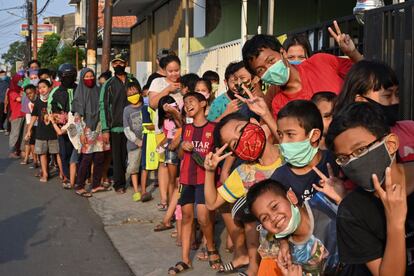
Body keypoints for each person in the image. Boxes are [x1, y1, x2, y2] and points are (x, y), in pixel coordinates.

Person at [325, 102, 412, 275]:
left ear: (391, 144)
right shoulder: (352, 211)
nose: (354, 163)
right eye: (344, 158)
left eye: (360, 150)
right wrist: (395, 224)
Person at [203, 94, 282, 275]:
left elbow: (290, 145)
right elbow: (212, 203)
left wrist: (267, 116)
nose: (241, 139)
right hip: (273, 256)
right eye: (234, 143)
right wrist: (209, 171)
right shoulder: (244, 174)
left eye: (240, 129)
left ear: (254, 123)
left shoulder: (288, 153)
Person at [242, 21, 362, 118]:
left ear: (282, 53)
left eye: (271, 61)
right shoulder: (279, 103)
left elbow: (368, 74)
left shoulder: (321, 62)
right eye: (261, 70)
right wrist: (266, 115)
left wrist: (352, 53)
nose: (270, 69)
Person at [168, 92, 221, 274]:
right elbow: (182, 157)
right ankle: (184, 259)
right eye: (185, 102)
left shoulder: (214, 128)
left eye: (191, 101)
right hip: (186, 179)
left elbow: (217, 155)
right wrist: (182, 147)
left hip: (204, 180)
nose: (187, 105)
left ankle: (211, 248)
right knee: (186, 216)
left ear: (203, 103)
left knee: (205, 217)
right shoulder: (187, 129)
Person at [246, 179, 338, 275]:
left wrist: (341, 199)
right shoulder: (284, 256)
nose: (273, 218)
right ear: (263, 227)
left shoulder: (324, 202)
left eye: (274, 206)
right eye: (264, 218)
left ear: (291, 197)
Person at [334, 59, 414, 164]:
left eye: (397, 94)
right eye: (387, 96)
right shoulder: (346, 141)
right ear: (360, 100)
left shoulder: (410, 129)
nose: (395, 101)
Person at [270, 100, 345, 204]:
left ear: (314, 135)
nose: (283, 142)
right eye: (280, 135)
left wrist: (342, 198)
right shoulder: (278, 180)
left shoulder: (337, 160)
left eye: (290, 134)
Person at [100, 54, 140, 193]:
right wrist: (105, 129)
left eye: (120, 63)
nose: (118, 65)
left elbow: (140, 100)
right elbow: (103, 106)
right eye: (115, 63)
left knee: (134, 154)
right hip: (116, 127)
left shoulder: (133, 80)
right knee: (118, 157)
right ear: (112, 65)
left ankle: (137, 181)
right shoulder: (108, 84)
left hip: (134, 125)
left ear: (126, 63)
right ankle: (119, 184)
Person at [148, 55, 183, 209]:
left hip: (181, 129)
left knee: (178, 163)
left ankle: (176, 198)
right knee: (163, 163)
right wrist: (168, 89)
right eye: (170, 71)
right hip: (163, 129)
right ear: (164, 70)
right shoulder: (158, 82)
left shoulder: (184, 82)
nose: (174, 73)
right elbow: (152, 103)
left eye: (177, 70)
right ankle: (164, 199)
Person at [71, 68, 111, 197]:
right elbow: (77, 116)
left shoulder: (99, 91)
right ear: (82, 79)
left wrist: (104, 128)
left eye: (91, 76)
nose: (89, 79)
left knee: (99, 157)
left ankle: (95, 185)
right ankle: (80, 185)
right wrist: (81, 133)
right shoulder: (79, 94)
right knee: (86, 159)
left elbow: (103, 109)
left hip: (99, 127)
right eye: (86, 77)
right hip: (85, 128)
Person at [49, 63, 78, 187]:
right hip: (63, 127)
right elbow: (51, 108)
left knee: (78, 151)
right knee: (65, 152)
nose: (68, 78)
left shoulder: (79, 88)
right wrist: (58, 117)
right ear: (61, 77)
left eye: (71, 76)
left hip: (79, 126)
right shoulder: (56, 92)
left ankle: (81, 175)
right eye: (66, 76)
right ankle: (67, 176)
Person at [123, 79, 153, 202]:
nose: (132, 95)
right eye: (129, 94)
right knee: (134, 168)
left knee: (145, 167)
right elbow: (126, 129)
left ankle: (144, 189)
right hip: (133, 145)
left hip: (148, 142)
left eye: (134, 92)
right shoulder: (127, 110)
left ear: (140, 92)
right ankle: (136, 190)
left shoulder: (146, 106)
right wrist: (136, 141)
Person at [25, 79, 59, 182]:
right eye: (39, 88)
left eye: (44, 87)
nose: (42, 90)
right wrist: (28, 130)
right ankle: (45, 174)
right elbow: (34, 116)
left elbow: (59, 114)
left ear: (49, 88)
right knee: (42, 154)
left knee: (57, 154)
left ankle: (63, 174)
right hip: (41, 133)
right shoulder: (38, 101)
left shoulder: (54, 100)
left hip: (54, 132)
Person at [7, 74, 25, 158]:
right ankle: (12, 151)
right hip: (16, 115)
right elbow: (19, 99)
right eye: (20, 80)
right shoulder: (12, 91)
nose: (21, 81)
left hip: (23, 114)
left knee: (22, 134)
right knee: (15, 134)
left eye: (22, 80)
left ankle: (20, 151)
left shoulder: (21, 90)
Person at [20, 84, 38, 166]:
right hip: (33, 125)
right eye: (27, 94)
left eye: (30, 93)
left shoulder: (40, 101)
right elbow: (28, 118)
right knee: (31, 142)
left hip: (42, 126)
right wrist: (28, 130)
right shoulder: (29, 104)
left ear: (35, 92)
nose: (29, 95)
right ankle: (35, 161)